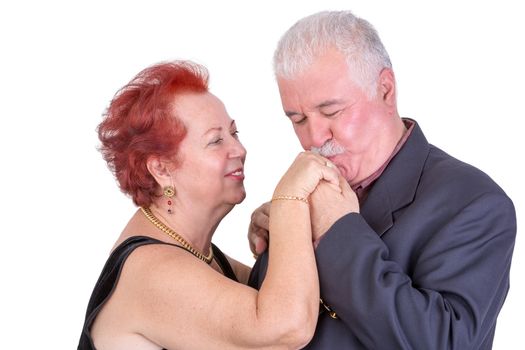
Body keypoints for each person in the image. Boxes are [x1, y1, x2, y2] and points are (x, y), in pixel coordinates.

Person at [248, 10, 517, 349]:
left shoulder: (475, 203)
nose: (313, 137)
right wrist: (282, 239)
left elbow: (441, 343)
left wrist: (336, 231)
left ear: (386, 90)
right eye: (297, 119)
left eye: (331, 111)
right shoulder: (304, 192)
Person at [78, 60, 342, 349]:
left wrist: (279, 233)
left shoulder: (201, 256)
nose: (239, 150)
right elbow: (286, 329)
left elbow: (292, 299)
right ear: (162, 169)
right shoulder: (152, 271)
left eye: (234, 133)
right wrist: (290, 199)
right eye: (215, 141)